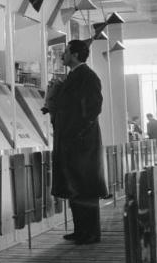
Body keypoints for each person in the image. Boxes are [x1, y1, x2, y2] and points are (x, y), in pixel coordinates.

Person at [49, 40, 107, 245]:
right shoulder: (74, 77)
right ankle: (80, 229)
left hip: (82, 143)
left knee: (85, 187)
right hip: (71, 141)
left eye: (65, 52)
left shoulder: (88, 77)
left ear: (74, 54)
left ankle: (91, 232)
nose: (62, 56)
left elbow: (92, 109)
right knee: (75, 186)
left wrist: (78, 133)